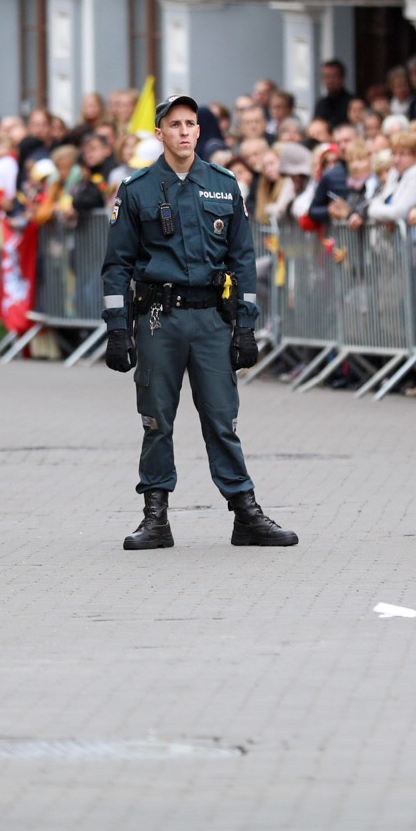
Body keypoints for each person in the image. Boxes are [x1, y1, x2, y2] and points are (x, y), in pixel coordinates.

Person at [100, 94, 298, 551]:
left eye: (190, 123)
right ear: (159, 133)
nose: (184, 131)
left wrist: (245, 325)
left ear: (199, 131)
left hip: (211, 320)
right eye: (174, 124)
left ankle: (245, 513)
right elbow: (116, 266)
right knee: (156, 421)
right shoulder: (137, 189)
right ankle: (155, 517)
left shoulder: (224, 185)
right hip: (159, 319)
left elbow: (242, 260)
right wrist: (117, 328)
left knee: (222, 419)